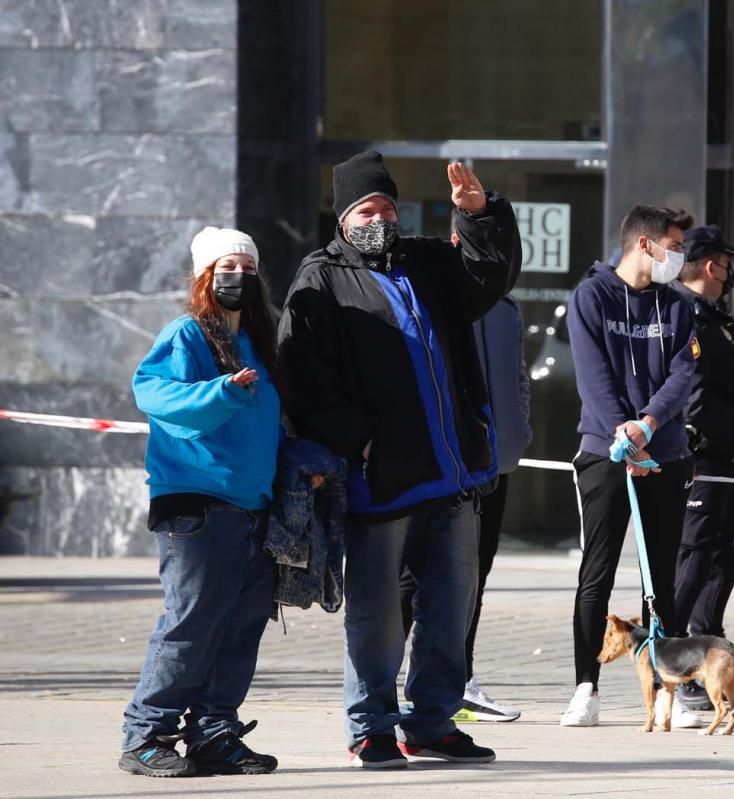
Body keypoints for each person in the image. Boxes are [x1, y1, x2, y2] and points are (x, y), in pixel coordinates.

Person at [277, 152, 520, 768]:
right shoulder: (321, 278)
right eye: (367, 208)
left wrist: (479, 216)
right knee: (380, 613)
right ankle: (371, 726)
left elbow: (490, 279)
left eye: (387, 206)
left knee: (451, 604)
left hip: (454, 471)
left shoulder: (426, 260)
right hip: (380, 477)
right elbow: (302, 376)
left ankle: (432, 721)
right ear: (343, 216)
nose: (379, 218)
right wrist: (358, 439)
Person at [120, 227, 282, 778]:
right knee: (190, 624)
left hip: (253, 508)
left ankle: (214, 732)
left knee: (240, 626)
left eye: (247, 267)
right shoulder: (186, 334)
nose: (239, 276)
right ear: (205, 277)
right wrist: (222, 390)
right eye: (227, 267)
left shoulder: (260, 342)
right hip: (197, 506)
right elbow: (154, 393)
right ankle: (146, 735)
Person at [560, 205, 702, 730]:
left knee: (661, 578)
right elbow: (592, 376)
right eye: (674, 245)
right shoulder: (591, 296)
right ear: (645, 245)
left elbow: (683, 372)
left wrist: (647, 424)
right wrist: (622, 431)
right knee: (594, 575)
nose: (679, 256)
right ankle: (585, 688)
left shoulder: (678, 305)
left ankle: (673, 692)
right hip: (604, 453)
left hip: (664, 454)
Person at [397, 284, 533, 723]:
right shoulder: (435, 297)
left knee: (475, 573)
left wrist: (518, 434)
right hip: (446, 462)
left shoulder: (507, 308)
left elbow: (518, 379)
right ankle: (381, 681)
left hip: (495, 462)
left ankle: (460, 681)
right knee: (414, 575)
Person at [669, 225, 734, 712]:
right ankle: (674, 663)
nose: (730, 273)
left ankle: (712, 655)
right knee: (693, 559)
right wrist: (729, 440)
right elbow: (694, 398)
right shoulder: (685, 314)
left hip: (724, 457)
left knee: (720, 559)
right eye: (727, 265)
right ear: (711, 267)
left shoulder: (713, 316)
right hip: (702, 459)